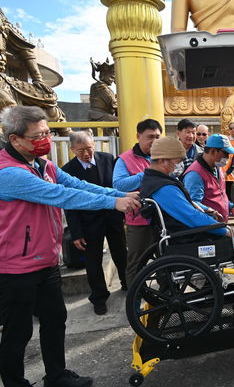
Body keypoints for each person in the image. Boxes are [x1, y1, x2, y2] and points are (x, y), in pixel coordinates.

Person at [0, 106, 140, 387]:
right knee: (19, 332)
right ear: (15, 140)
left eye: (47, 132)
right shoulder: (9, 172)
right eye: (38, 135)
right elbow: (61, 195)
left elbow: (79, 184)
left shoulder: (43, 164)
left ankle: (57, 376)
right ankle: (15, 383)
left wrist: (119, 193)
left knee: (55, 320)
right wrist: (113, 203)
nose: (46, 139)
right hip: (15, 267)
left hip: (45, 261)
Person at [139, 137, 234, 277]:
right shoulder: (165, 188)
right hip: (193, 241)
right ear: (164, 161)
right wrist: (225, 230)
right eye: (176, 162)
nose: (178, 166)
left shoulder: (157, 181)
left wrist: (222, 209)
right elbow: (192, 216)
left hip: (193, 237)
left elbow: (198, 203)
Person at [62, 131, 128, 315]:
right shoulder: (68, 171)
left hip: (113, 218)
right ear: (73, 149)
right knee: (93, 262)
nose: (86, 153)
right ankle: (99, 297)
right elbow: (70, 203)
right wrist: (76, 233)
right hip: (88, 223)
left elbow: (116, 186)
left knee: (121, 253)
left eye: (89, 148)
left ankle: (127, 284)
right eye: (81, 150)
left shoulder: (108, 159)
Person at [113, 118, 161, 286]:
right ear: (138, 136)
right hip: (138, 220)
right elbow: (118, 185)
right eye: (150, 137)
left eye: (157, 137)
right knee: (136, 262)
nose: (154, 141)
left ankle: (165, 296)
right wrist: (146, 173)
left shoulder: (162, 156)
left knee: (164, 258)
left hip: (161, 219)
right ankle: (134, 300)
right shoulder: (125, 159)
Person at [182, 134, 234, 223]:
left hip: (220, 224)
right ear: (213, 151)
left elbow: (221, 193)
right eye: (225, 154)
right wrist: (210, 211)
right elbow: (193, 203)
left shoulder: (217, 166)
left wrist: (231, 207)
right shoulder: (195, 174)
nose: (227, 157)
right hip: (207, 226)